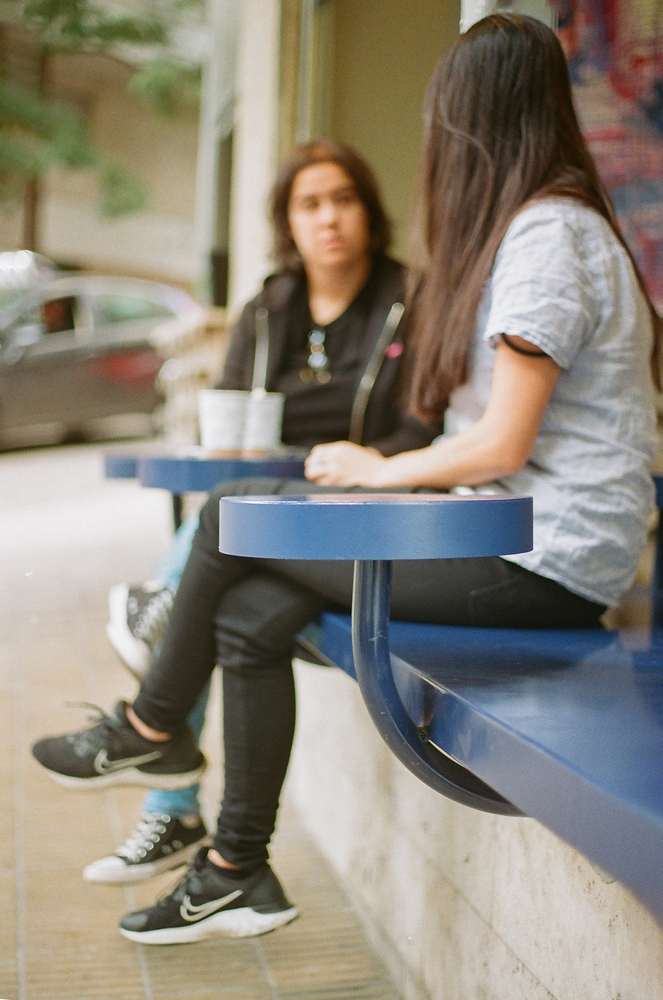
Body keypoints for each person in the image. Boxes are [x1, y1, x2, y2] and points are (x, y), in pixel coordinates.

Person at [33, 13, 660, 947]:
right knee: (246, 607)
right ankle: (236, 870)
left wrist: (384, 469)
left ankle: (150, 722)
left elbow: (499, 442)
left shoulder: (547, 238)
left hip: (543, 562)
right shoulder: (529, 234)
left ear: (477, 124)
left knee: (228, 513)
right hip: (504, 540)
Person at [84, 138, 440, 886]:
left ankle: (169, 794)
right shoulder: (269, 304)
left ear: (369, 213)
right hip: (259, 502)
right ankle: (175, 795)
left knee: (192, 593)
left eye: (342, 198)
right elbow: (233, 419)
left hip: (356, 502)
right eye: (309, 204)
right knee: (210, 570)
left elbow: (421, 425)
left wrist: (358, 463)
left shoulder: (411, 300)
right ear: (288, 220)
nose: (328, 218)